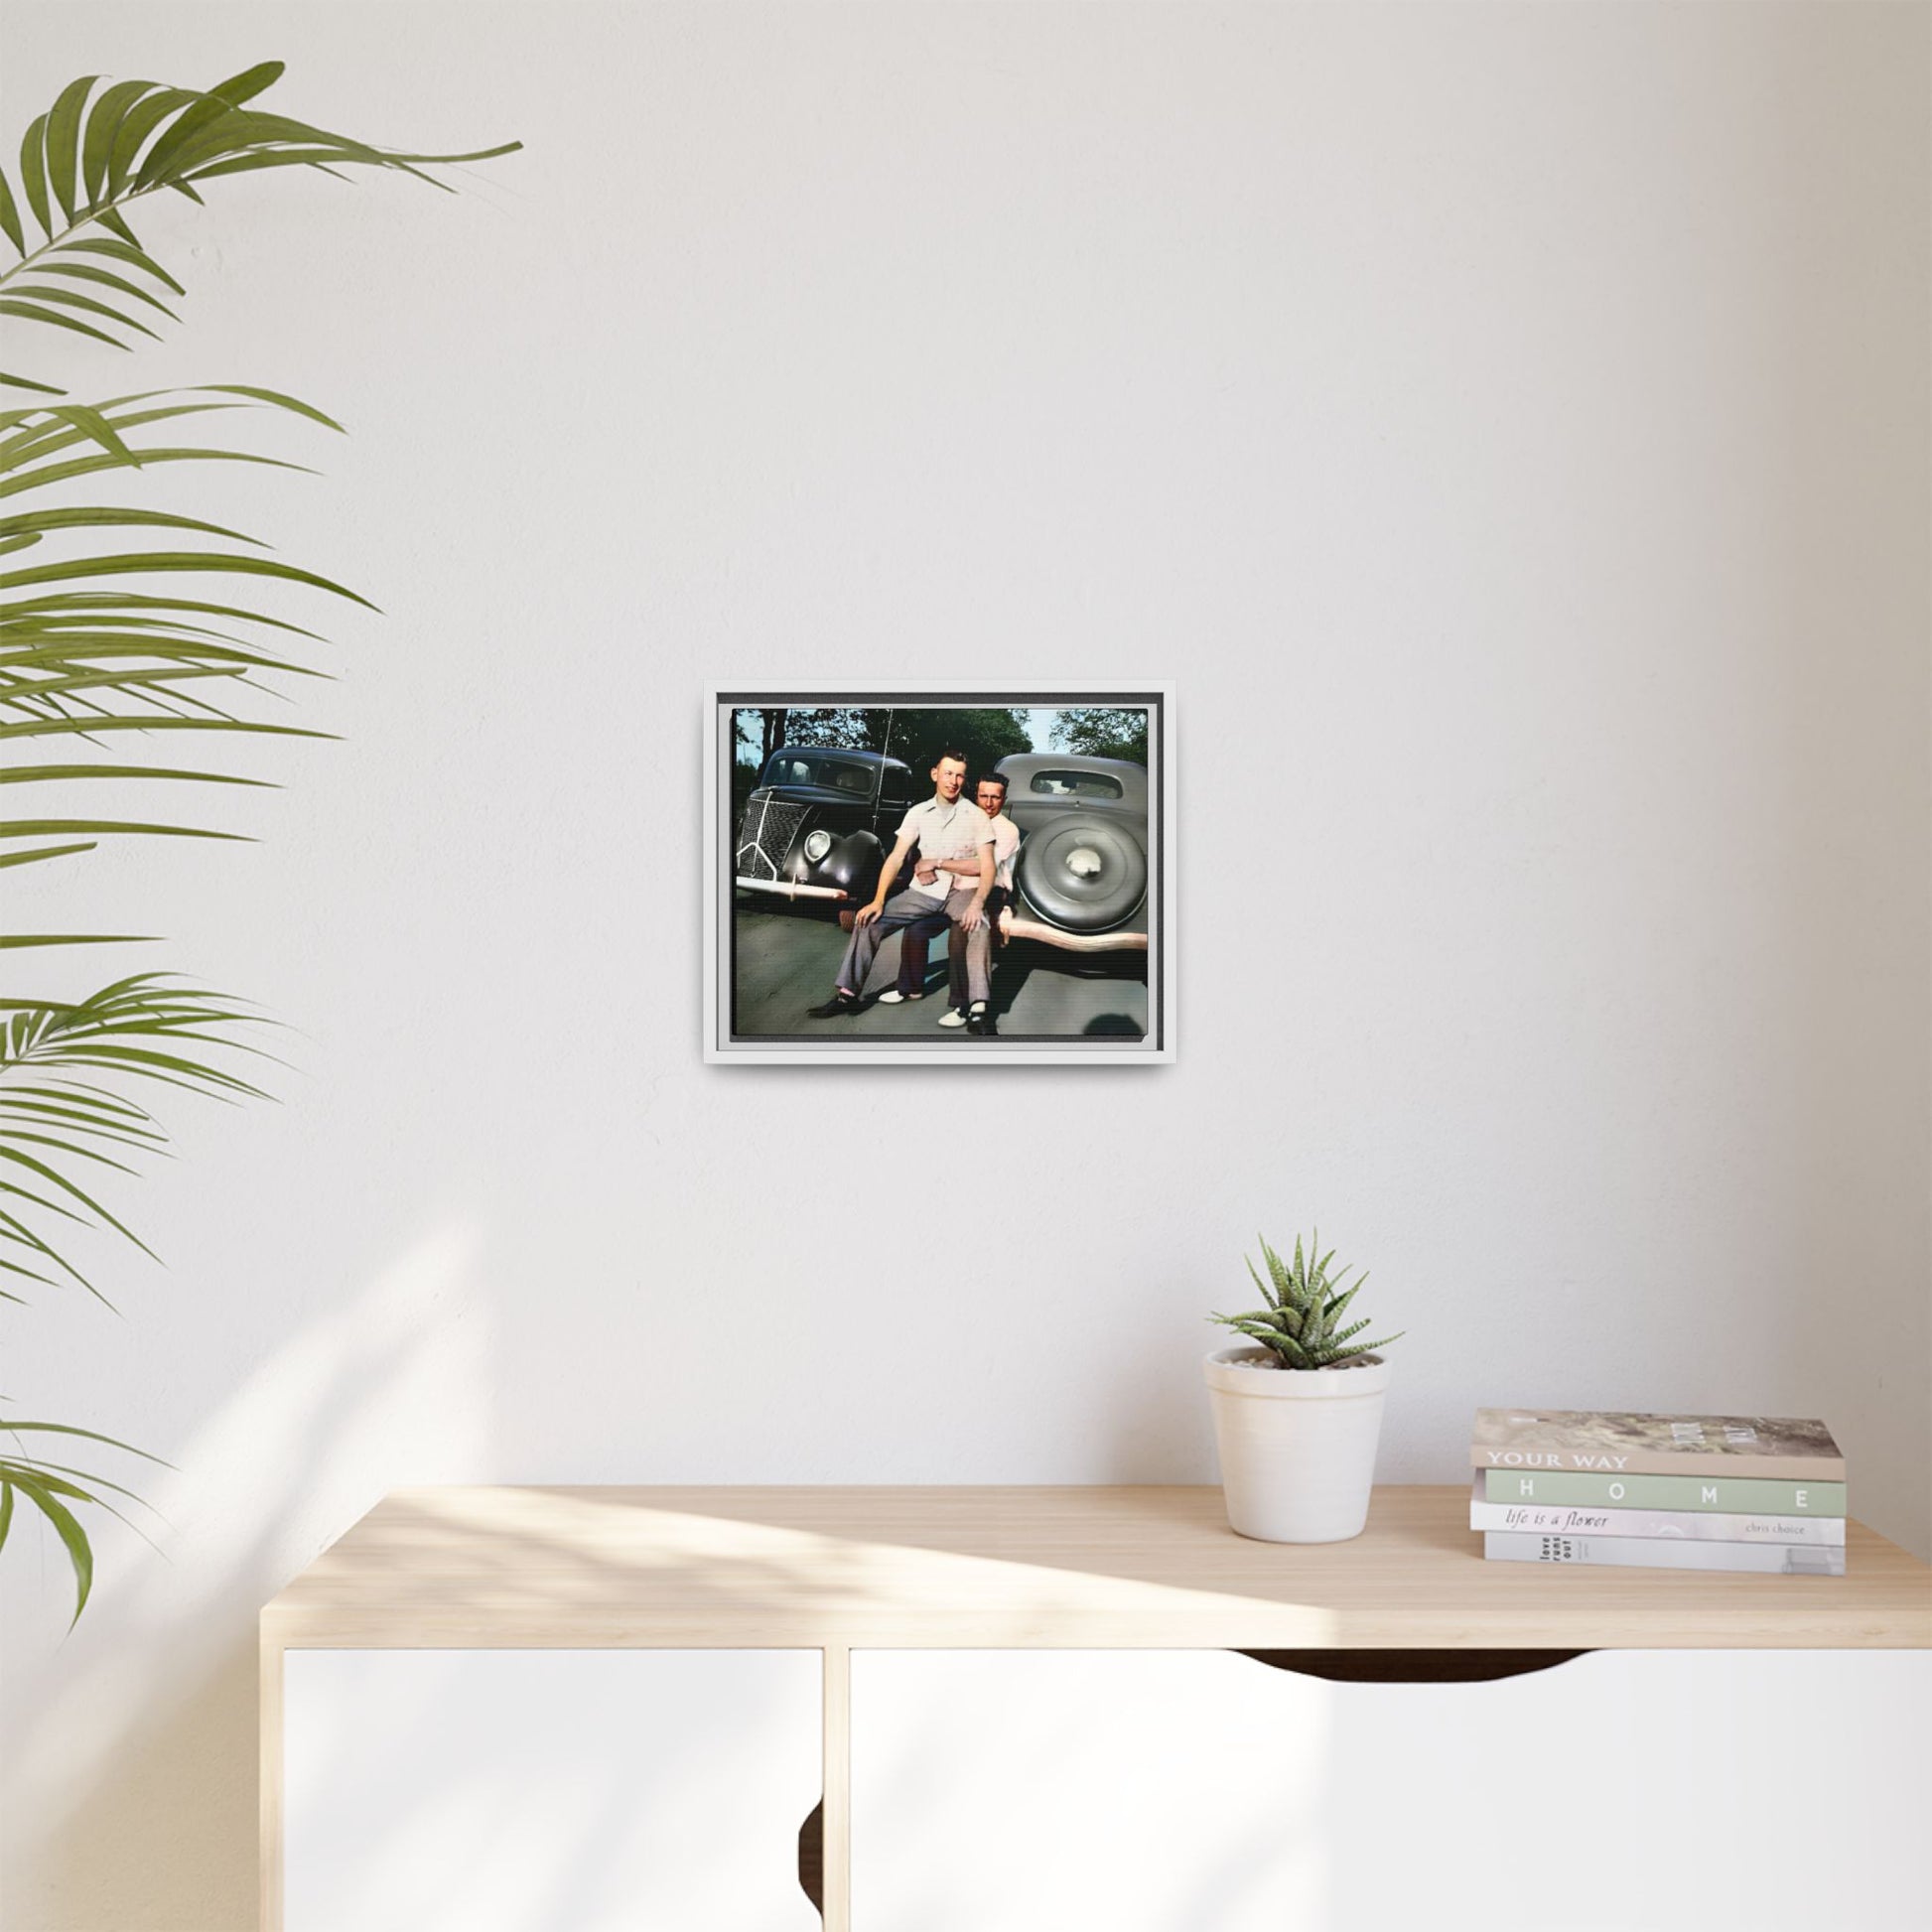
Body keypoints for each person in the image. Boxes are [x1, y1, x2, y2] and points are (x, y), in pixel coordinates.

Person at [808, 751, 994, 1021]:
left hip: (962, 891)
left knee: (979, 924)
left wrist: (977, 903)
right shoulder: (918, 812)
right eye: (948, 773)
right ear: (935, 774)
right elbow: (895, 857)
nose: (953, 781)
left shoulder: (976, 815)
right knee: (868, 921)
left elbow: (987, 865)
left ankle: (979, 1009)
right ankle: (846, 995)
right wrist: (878, 900)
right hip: (924, 892)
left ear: (965, 780)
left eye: (959, 775)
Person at [931, 772, 1020, 1035]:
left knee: (964, 928)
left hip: (994, 889)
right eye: (984, 796)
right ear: (976, 795)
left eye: (995, 797)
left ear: (1004, 799)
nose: (989, 803)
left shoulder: (1007, 830)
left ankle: (968, 1007)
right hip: (962, 886)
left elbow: (985, 868)